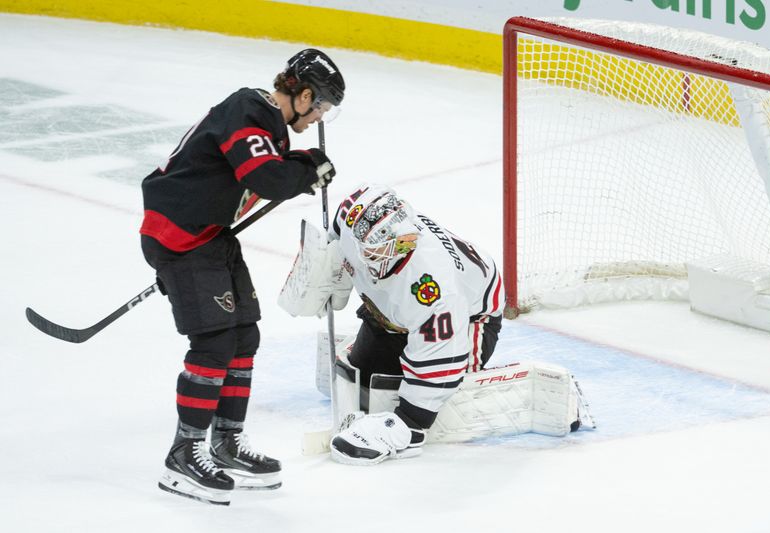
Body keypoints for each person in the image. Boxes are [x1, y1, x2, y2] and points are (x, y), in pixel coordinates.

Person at [139, 48, 345, 504]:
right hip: (180, 239)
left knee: (243, 335)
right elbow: (267, 179)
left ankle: (226, 441)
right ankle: (183, 453)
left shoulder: (270, 125)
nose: (320, 118)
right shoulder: (249, 110)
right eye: (322, 108)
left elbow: (268, 170)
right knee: (213, 341)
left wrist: (305, 163)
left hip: (209, 237)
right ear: (304, 94)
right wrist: (304, 173)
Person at [325, 183, 505, 465]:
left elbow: (444, 357)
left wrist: (409, 423)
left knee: (400, 395)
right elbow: (334, 237)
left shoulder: (436, 290)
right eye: (378, 251)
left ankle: (412, 424)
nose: (399, 251)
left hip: (471, 320)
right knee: (367, 377)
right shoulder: (351, 217)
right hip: (402, 315)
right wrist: (326, 269)